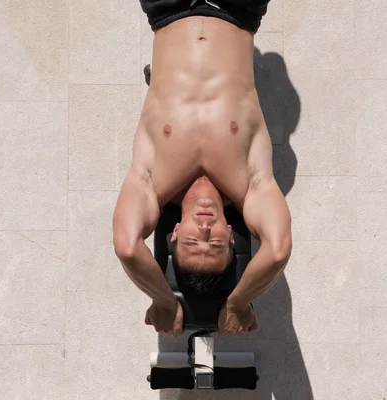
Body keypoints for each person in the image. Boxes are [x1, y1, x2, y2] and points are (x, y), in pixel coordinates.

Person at [112, 0, 292, 337]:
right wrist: (238, 303)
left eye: (193, 243)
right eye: (216, 245)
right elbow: (278, 250)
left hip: (169, 9)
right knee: (276, 64)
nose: (205, 232)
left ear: (175, 233)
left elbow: (127, 247)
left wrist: (164, 302)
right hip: (237, 10)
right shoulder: (251, 183)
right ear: (232, 239)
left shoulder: (151, 182)